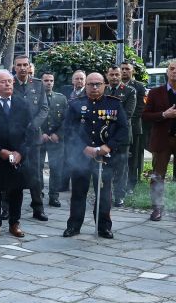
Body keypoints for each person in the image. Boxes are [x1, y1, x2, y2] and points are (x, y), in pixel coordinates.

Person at [62, 72, 128, 238]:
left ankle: (104, 227)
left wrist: (109, 146)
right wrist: (84, 148)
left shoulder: (114, 104)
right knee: (78, 192)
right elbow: (68, 130)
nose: (94, 87)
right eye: (91, 84)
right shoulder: (76, 104)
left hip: (104, 157)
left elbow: (123, 130)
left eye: (98, 84)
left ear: (104, 85)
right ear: (86, 85)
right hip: (81, 157)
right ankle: (74, 225)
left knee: (104, 193)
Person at [0, 70, 33, 238]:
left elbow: (30, 131)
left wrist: (19, 153)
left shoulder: (22, 104)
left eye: (10, 81)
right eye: (3, 82)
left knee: (16, 190)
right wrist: (0, 151)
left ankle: (14, 223)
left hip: (17, 157)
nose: (8, 84)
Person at [12, 55, 49, 222]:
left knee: (35, 174)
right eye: (19, 65)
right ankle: (7, 207)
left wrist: (35, 124)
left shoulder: (38, 84)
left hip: (33, 137)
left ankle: (38, 208)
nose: (22, 68)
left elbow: (44, 108)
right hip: (14, 138)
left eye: (25, 65)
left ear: (29, 66)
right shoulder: (9, 83)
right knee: (10, 172)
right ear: (14, 67)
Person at [142, 59, 176, 221]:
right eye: (172, 68)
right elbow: (145, 115)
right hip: (163, 140)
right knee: (158, 176)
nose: (175, 71)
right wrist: (164, 114)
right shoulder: (155, 92)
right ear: (167, 72)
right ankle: (157, 208)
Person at [105, 65, 136, 207]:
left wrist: (106, 116)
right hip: (104, 135)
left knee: (121, 167)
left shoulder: (130, 91)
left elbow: (127, 114)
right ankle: (106, 194)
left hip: (122, 136)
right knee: (106, 165)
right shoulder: (103, 90)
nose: (115, 77)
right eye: (112, 75)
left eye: (117, 74)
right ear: (107, 76)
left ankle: (119, 196)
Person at [40, 72, 67, 208]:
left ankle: (54, 196)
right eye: (46, 80)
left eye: (51, 80)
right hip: (39, 139)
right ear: (41, 81)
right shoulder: (35, 97)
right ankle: (38, 193)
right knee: (37, 167)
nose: (49, 83)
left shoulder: (61, 98)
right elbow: (30, 117)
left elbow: (66, 119)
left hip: (56, 140)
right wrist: (41, 133)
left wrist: (59, 134)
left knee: (56, 169)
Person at [120, 61, 147, 193]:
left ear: (133, 71)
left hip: (134, 127)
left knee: (133, 157)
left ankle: (131, 184)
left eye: (127, 69)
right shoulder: (116, 86)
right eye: (122, 69)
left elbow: (140, 109)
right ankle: (119, 183)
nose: (124, 71)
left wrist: (126, 122)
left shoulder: (139, 87)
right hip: (118, 129)